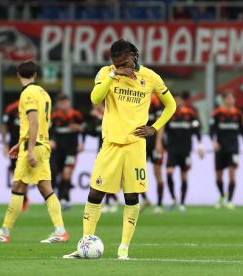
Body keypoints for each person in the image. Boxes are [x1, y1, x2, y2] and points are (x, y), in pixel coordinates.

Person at [63, 39, 176, 260]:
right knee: (96, 193)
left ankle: (123, 248)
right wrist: (114, 75)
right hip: (111, 144)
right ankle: (85, 244)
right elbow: (95, 98)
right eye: (115, 63)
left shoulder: (150, 77)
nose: (120, 66)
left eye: (123, 62)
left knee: (132, 195)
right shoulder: (106, 73)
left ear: (135, 55)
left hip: (135, 145)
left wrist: (154, 128)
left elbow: (171, 105)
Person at [0, 61, 69, 243]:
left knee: (18, 187)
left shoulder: (27, 94)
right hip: (42, 145)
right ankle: (60, 231)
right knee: (46, 188)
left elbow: (34, 122)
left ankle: (4, 232)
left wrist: (28, 150)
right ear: (35, 74)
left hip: (33, 146)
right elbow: (42, 123)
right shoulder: (44, 93)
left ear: (18, 75)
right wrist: (20, 143)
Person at [164, 93, 204, 212]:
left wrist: (200, 145)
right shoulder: (169, 113)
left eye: (179, 100)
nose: (177, 102)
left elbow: (197, 130)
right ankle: (172, 198)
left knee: (184, 175)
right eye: (175, 100)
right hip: (172, 149)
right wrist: (160, 143)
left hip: (185, 149)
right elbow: (162, 129)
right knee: (169, 172)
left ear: (182, 101)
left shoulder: (190, 113)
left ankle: (182, 202)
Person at [209, 91, 243, 209]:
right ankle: (222, 195)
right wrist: (213, 141)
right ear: (224, 99)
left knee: (232, 174)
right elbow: (211, 130)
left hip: (233, 148)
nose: (232, 100)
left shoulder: (239, 114)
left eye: (233, 97)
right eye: (230, 97)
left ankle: (230, 200)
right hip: (220, 148)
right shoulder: (217, 113)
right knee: (218, 176)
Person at [50, 94, 84, 211]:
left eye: (65, 102)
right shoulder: (54, 116)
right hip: (57, 150)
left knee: (67, 173)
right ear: (58, 104)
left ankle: (64, 199)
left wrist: (82, 142)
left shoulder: (76, 115)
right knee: (57, 173)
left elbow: (84, 128)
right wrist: (51, 140)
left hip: (71, 149)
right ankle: (62, 199)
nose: (63, 105)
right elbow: (49, 130)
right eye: (61, 103)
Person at [1, 99, 29, 212]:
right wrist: (4, 144)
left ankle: (22, 199)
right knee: (17, 174)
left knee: (24, 173)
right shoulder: (11, 109)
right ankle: (23, 199)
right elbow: (4, 126)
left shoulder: (32, 107)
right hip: (14, 146)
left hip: (28, 145)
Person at [147, 94, 165, 214]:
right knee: (133, 173)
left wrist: (158, 142)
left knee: (157, 172)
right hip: (139, 142)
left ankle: (159, 204)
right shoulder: (135, 96)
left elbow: (160, 123)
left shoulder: (155, 101)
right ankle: (143, 200)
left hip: (154, 142)